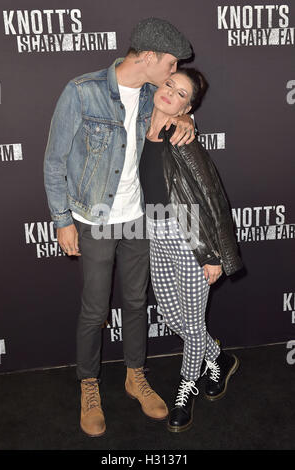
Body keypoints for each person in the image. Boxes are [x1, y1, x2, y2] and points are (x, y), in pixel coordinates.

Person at [43, 18, 195, 437]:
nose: (172, 72)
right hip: (92, 220)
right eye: (170, 63)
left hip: (137, 218)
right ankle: (89, 385)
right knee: (94, 309)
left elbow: (173, 114)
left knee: (134, 302)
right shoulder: (81, 91)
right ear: (148, 57)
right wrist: (62, 221)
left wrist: (187, 120)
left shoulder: (153, 95)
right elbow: (55, 162)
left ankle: (134, 375)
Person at [138, 69, 243, 433]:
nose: (171, 94)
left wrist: (212, 255)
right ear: (158, 84)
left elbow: (211, 195)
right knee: (170, 314)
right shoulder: (142, 127)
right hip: (154, 235)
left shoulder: (183, 137)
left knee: (193, 324)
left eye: (181, 94)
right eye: (169, 84)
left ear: (189, 105)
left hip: (188, 240)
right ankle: (220, 358)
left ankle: (186, 388)